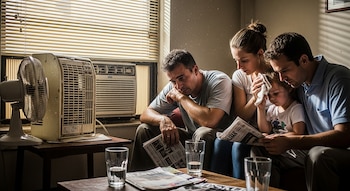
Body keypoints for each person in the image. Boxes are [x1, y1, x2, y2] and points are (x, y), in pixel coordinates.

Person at [261, 32, 350, 191]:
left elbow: (344, 136)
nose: (282, 78)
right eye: (278, 73)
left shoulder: (338, 79)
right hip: (311, 148)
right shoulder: (299, 84)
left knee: (318, 155)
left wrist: (291, 142)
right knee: (262, 150)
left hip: (339, 152)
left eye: (285, 71)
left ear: (303, 60)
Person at [129, 49, 234, 172]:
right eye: (173, 81)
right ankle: (138, 182)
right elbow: (146, 114)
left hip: (217, 137)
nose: (178, 86)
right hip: (191, 138)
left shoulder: (219, 81)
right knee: (144, 130)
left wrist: (181, 98)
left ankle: (198, 184)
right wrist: (163, 119)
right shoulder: (175, 86)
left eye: (181, 78)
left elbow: (210, 121)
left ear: (195, 70)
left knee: (202, 132)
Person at [210, 21, 272, 179]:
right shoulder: (240, 76)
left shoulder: (275, 74)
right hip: (247, 129)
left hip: (269, 128)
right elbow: (240, 115)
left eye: (244, 60)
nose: (238, 66)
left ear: (260, 54)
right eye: (235, 60)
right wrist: (254, 97)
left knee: (239, 147)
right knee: (220, 143)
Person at [254, 71, 307, 187]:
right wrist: (260, 109)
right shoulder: (273, 109)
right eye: (268, 95)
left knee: (271, 161)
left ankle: (270, 187)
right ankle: (260, 186)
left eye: (276, 93)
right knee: (256, 150)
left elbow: (298, 133)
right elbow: (265, 129)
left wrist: (277, 137)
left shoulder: (295, 108)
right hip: (280, 149)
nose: (272, 98)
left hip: (294, 152)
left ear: (289, 89)